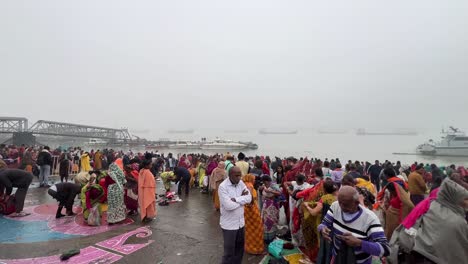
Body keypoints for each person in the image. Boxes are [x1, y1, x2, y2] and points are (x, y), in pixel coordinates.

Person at [318, 186, 390, 264]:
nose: (341, 207)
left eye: (345, 204)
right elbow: (324, 223)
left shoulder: (370, 218)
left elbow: (385, 249)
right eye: (339, 202)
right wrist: (322, 228)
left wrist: (359, 243)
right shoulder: (335, 206)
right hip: (337, 258)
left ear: (357, 202)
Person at [411, 178, 468, 263]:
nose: (467, 202)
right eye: (465, 199)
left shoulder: (433, 205)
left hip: (422, 250)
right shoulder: (457, 221)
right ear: (454, 198)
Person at [218, 166, 252, 264]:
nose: (239, 178)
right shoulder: (223, 187)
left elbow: (249, 198)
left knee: (239, 251)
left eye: (240, 175)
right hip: (229, 225)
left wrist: (236, 199)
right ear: (230, 175)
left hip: (240, 223)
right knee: (228, 253)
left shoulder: (240, 183)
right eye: (236, 176)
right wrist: (242, 199)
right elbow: (228, 206)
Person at [304, 179, 337, 264]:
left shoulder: (324, 199)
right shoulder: (338, 198)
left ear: (324, 189)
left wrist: (307, 206)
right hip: (336, 227)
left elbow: (314, 213)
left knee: (324, 247)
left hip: (325, 227)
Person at [377, 168, 414, 239]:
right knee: (390, 230)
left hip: (396, 216)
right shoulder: (400, 181)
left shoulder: (394, 187)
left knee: (393, 230)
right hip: (391, 215)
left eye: (384, 175)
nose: (384, 176)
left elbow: (404, 209)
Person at [284, 174, 310, 246]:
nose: (297, 182)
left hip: (300, 207)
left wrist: (291, 193)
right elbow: (285, 183)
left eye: (298, 181)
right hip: (293, 205)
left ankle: (301, 241)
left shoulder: (307, 186)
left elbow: (301, 195)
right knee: (293, 221)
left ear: (302, 181)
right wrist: (288, 189)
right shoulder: (294, 183)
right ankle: (295, 240)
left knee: (300, 223)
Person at [242, 174, 264, 255]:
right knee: (257, 228)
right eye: (253, 179)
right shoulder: (250, 186)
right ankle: (256, 248)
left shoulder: (243, 185)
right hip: (251, 210)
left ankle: (249, 247)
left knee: (249, 229)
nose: (254, 180)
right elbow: (250, 200)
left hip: (246, 210)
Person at [259, 175, 282, 244]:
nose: (264, 183)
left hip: (273, 206)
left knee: (272, 221)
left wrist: (270, 191)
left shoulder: (273, 185)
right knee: (265, 222)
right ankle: (266, 238)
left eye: (264, 182)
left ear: (267, 181)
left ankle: (272, 236)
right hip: (266, 206)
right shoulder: (264, 185)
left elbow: (280, 193)